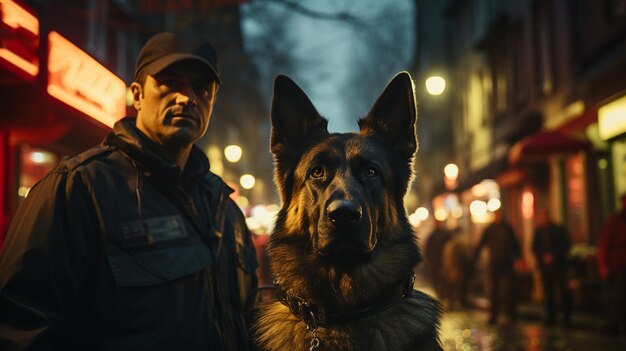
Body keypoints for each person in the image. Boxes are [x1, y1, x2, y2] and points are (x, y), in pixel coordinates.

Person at [0, 32, 258, 350]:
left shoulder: (224, 209)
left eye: (202, 88)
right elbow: (22, 326)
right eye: (170, 82)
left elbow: (246, 319)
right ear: (137, 95)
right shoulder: (77, 188)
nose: (187, 97)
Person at [471, 209, 521, 324]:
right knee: (493, 290)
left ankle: (511, 314)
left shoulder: (507, 228)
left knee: (509, 289)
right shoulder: (489, 229)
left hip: (507, 261)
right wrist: (474, 259)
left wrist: (518, 258)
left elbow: (514, 243)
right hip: (494, 262)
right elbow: (481, 244)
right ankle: (494, 315)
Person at [531, 209, 571, 325]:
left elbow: (565, 244)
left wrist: (554, 255)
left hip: (558, 266)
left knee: (562, 291)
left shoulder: (558, 230)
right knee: (548, 292)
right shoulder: (539, 232)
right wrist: (542, 257)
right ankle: (550, 315)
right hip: (545, 268)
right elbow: (534, 247)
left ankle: (565, 316)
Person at [597, 193, 626, 334]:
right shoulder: (614, 221)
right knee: (619, 296)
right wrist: (604, 265)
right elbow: (605, 245)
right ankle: (618, 323)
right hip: (619, 265)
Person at [424, 220, 452, 302]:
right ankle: (443, 295)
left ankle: (444, 295)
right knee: (438, 279)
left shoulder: (440, 235)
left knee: (442, 279)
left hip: (443, 262)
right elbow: (428, 249)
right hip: (437, 262)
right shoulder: (434, 235)